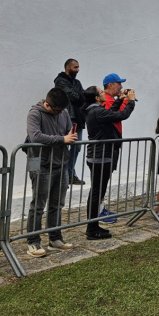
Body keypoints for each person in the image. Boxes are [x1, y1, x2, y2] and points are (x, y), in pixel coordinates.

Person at [25, 88, 78, 257]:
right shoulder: (35, 113)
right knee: (38, 205)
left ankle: (55, 238)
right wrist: (62, 139)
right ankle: (33, 241)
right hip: (40, 164)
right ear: (47, 104)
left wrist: (69, 135)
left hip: (61, 164)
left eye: (62, 110)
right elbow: (35, 137)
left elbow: (69, 130)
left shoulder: (63, 112)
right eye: (57, 110)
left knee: (57, 204)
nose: (60, 113)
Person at [82, 85, 136, 239]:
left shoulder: (95, 110)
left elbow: (111, 112)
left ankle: (94, 225)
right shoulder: (97, 111)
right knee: (96, 193)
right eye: (100, 92)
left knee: (97, 192)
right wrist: (131, 102)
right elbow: (121, 115)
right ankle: (91, 229)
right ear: (96, 97)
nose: (103, 94)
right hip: (100, 157)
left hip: (100, 156)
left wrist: (120, 99)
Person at [99, 72, 136, 222]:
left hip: (113, 144)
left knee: (105, 178)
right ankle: (98, 211)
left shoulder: (112, 99)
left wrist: (124, 99)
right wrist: (129, 100)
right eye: (118, 84)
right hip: (107, 145)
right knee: (101, 179)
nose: (121, 87)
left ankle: (101, 208)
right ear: (110, 85)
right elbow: (120, 114)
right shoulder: (107, 100)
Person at [54, 58, 86, 185]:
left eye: (78, 67)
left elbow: (83, 97)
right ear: (68, 68)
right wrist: (80, 97)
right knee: (64, 146)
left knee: (77, 147)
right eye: (75, 67)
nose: (78, 70)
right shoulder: (60, 81)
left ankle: (70, 173)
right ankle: (62, 175)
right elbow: (72, 96)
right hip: (67, 118)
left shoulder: (77, 82)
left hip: (78, 118)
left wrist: (80, 97)